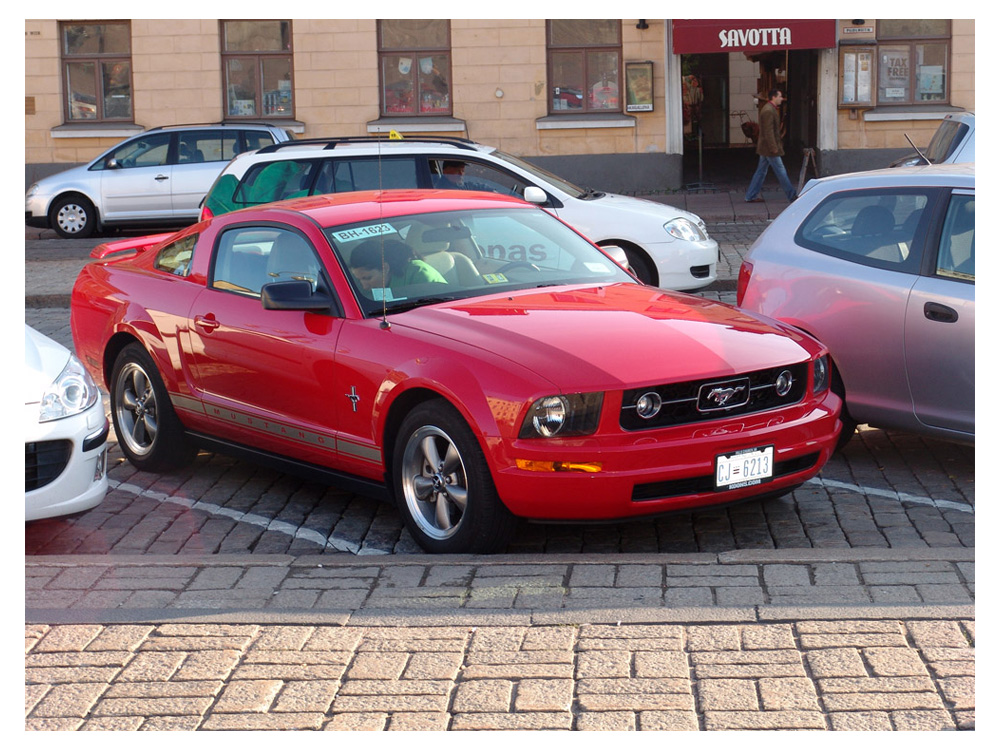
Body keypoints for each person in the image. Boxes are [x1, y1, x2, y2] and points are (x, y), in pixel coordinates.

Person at [745, 88, 797, 203]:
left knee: (761, 172)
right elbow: (768, 132)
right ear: (774, 97)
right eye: (780, 96)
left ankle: (751, 195)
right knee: (781, 171)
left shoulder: (769, 109)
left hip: (766, 147)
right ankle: (791, 195)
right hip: (769, 148)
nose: (781, 99)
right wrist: (774, 147)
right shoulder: (769, 111)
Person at [348, 238, 447, 291]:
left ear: (385, 268)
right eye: (359, 279)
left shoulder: (420, 274)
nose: (364, 287)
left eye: (368, 278)